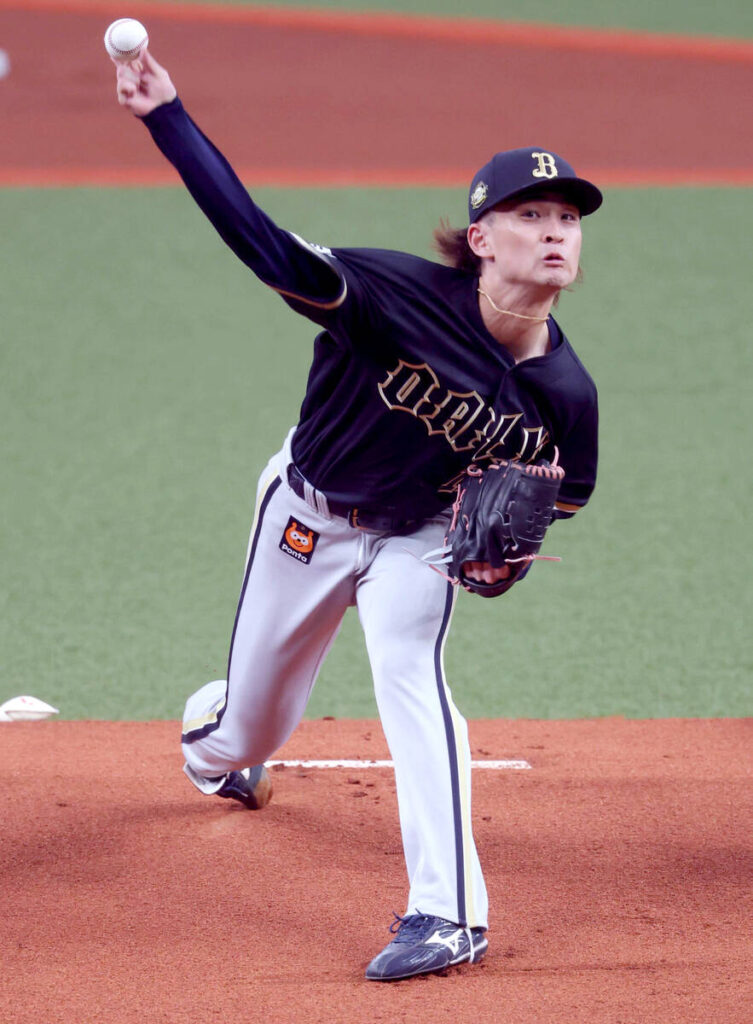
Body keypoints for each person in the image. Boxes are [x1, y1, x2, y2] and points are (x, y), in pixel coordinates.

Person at [113, 49, 601, 982]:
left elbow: (564, 492)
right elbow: (259, 240)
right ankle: (218, 740)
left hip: (415, 540)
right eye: (530, 214)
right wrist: (167, 114)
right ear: (481, 236)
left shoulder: (564, 391)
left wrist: (511, 553)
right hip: (307, 516)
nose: (554, 233)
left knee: (412, 682)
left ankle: (447, 914)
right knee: (243, 734)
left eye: (569, 220)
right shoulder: (391, 295)